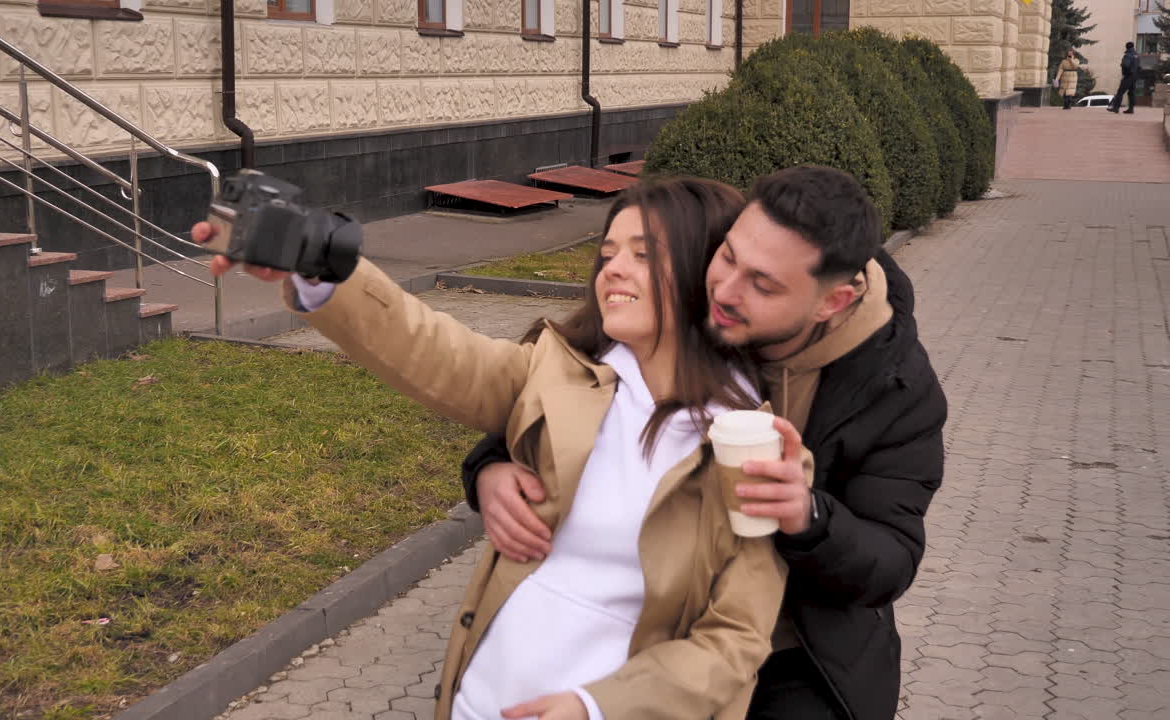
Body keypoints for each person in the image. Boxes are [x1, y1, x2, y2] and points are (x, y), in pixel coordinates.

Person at [191, 178, 795, 720]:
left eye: (644, 254)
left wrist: (596, 707)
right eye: (608, 252)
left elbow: (734, 640)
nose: (614, 268)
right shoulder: (559, 373)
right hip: (477, 701)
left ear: (704, 274)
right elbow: (432, 350)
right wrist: (318, 263)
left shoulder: (749, 443)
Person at [461, 166, 947, 720]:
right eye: (728, 256)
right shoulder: (706, 294)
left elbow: (890, 560)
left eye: (763, 285)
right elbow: (572, 378)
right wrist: (489, 465)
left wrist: (807, 516)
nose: (725, 289)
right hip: (654, 617)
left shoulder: (896, 391)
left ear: (830, 303)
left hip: (798, 648)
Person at [1108, 41, 1139, 114]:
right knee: (1131, 93)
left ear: (1126, 47)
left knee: (1120, 92)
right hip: (1134, 76)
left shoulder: (1128, 55)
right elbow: (1139, 66)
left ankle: (1115, 108)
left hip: (1128, 76)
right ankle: (1131, 109)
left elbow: (1126, 65)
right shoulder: (1136, 55)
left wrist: (1122, 65)